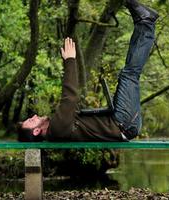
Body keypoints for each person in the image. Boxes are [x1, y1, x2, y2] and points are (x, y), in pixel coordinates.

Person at [17, 0, 159, 142]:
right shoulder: (57, 129)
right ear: (36, 131)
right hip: (123, 123)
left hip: (121, 122)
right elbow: (70, 97)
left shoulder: (57, 128)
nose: (34, 116)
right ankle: (146, 23)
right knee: (129, 74)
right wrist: (70, 60)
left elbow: (73, 104)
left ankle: (143, 23)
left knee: (128, 74)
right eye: (31, 121)